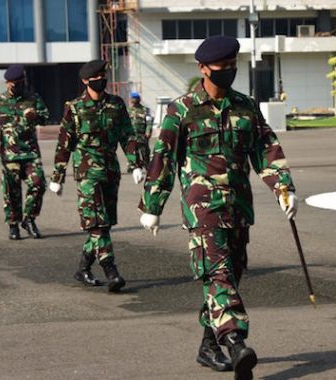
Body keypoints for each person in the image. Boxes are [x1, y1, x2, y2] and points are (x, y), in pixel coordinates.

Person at [138, 36, 298, 380]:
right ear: (203, 69)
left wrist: (283, 188)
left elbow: (266, 149)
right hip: (203, 210)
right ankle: (236, 342)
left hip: (238, 208)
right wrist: (152, 205)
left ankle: (208, 345)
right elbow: (162, 157)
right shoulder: (182, 109)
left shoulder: (246, 107)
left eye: (231, 66)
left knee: (230, 277)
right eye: (221, 67)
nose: (227, 72)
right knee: (219, 275)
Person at [49, 59, 145, 293]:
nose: (101, 80)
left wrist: (136, 164)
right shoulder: (74, 107)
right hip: (87, 174)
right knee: (97, 224)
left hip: (110, 172)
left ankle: (83, 268)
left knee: (104, 224)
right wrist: (57, 176)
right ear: (85, 81)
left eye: (104, 76)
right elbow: (65, 143)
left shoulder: (116, 105)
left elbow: (127, 136)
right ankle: (111, 271)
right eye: (96, 78)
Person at [0, 64, 49, 240]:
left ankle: (29, 219)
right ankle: (13, 225)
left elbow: (46, 117)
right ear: (7, 83)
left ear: (23, 82)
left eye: (18, 83)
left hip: (31, 153)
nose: (14, 87)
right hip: (9, 155)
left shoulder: (33, 98)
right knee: (11, 191)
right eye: (11, 84)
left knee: (39, 184)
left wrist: (35, 116)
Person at [128, 91, 152, 168]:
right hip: (131, 135)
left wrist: (148, 131)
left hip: (142, 134)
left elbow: (149, 121)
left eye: (136, 98)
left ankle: (147, 165)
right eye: (133, 98)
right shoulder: (128, 110)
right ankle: (135, 166)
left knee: (144, 152)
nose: (134, 99)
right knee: (133, 151)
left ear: (139, 99)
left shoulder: (145, 110)